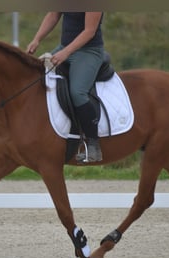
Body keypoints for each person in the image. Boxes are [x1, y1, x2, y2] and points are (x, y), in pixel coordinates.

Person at [27, 12, 105, 162]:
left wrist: (66, 53)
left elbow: (89, 31)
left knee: (77, 92)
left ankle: (93, 145)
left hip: (88, 52)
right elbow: (53, 15)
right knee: (35, 77)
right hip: (65, 47)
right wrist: (36, 39)